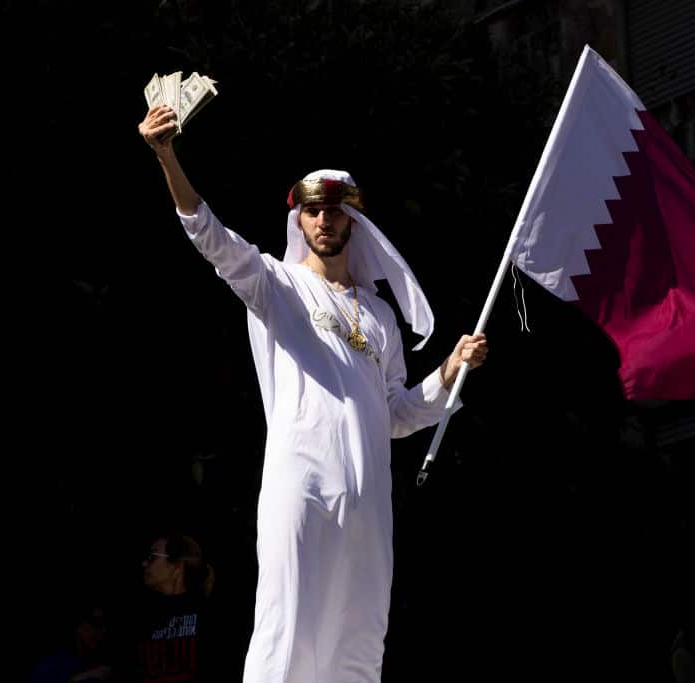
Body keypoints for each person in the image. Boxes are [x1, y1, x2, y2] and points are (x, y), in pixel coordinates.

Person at [138, 104, 488, 683]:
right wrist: (167, 156)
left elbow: (397, 414)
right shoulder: (278, 284)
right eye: (312, 211)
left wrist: (450, 369)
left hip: (369, 503)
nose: (323, 220)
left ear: (355, 221)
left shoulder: (379, 316)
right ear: (299, 222)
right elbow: (212, 239)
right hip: (301, 489)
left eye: (333, 210)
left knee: (357, 647)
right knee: (288, 632)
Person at [124, 530, 215, 683]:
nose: (144, 563)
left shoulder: (206, 614)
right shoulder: (141, 618)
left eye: (152, 557)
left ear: (177, 567)